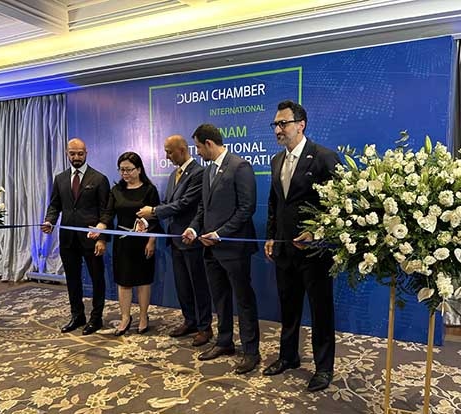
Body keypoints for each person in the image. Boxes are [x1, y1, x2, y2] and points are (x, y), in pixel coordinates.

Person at [263, 100, 340, 392]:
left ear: (301, 125)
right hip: (284, 250)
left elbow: (340, 207)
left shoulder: (323, 157)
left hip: (316, 253)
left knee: (321, 311)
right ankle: (288, 357)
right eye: (276, 124)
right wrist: (272, 235)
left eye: (283, 123)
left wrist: (316, 230)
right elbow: (274, 204)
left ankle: (323, 368)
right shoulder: (276, 161)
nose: (278, 129)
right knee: (288, 307)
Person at [182, 124, 260, 374]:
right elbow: (203, 210)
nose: (197, 152)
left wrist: (220, 234)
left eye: (197, 147)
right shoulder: (207, 172)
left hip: (234, 250)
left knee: (244, 301)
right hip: (210, 250)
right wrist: (194, 229)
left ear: (209, 144)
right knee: (220, 299)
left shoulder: (240, 167)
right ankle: (224, 342)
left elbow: (246, 209)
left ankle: (251, 352)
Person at [137, 135, 213, 346]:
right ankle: (190, 320)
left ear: (182, 150)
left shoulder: (199, 173)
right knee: (182, 286)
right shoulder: (173, 175)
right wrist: (150, 215)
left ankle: (205, 327)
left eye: (169, 152)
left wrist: (153, 211)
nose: (167, 156)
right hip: (175, 240)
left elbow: (185, 204)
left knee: (198, 286)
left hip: (192, 240)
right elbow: (169, 203)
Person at [42, 137, 110, 335]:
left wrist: (102, 238)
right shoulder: (60, 178)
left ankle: (96, 318)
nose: (76, 157)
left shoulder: (99, 178)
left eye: (80, 153)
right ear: (67, 153)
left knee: (97, 279)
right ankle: (77, 316)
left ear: (86, 153)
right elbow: (54, 205)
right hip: (68, 240)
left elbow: (106, 212)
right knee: (72, 279)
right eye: (72, 153)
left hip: (91, 239)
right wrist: (49, 221)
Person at [90, 152, 161, 335]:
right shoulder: (116, 191)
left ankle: (144, 316)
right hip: (122, 243)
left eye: (129, 169)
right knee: (124, 281)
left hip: (143, 242)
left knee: (144, 281)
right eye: (122, 170)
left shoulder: (149, 190)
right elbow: (107, 214)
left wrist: (151, 240)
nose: (125, 173)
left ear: (139, 169)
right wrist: (99, 228)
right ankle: (125, 317)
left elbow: (155, 218)